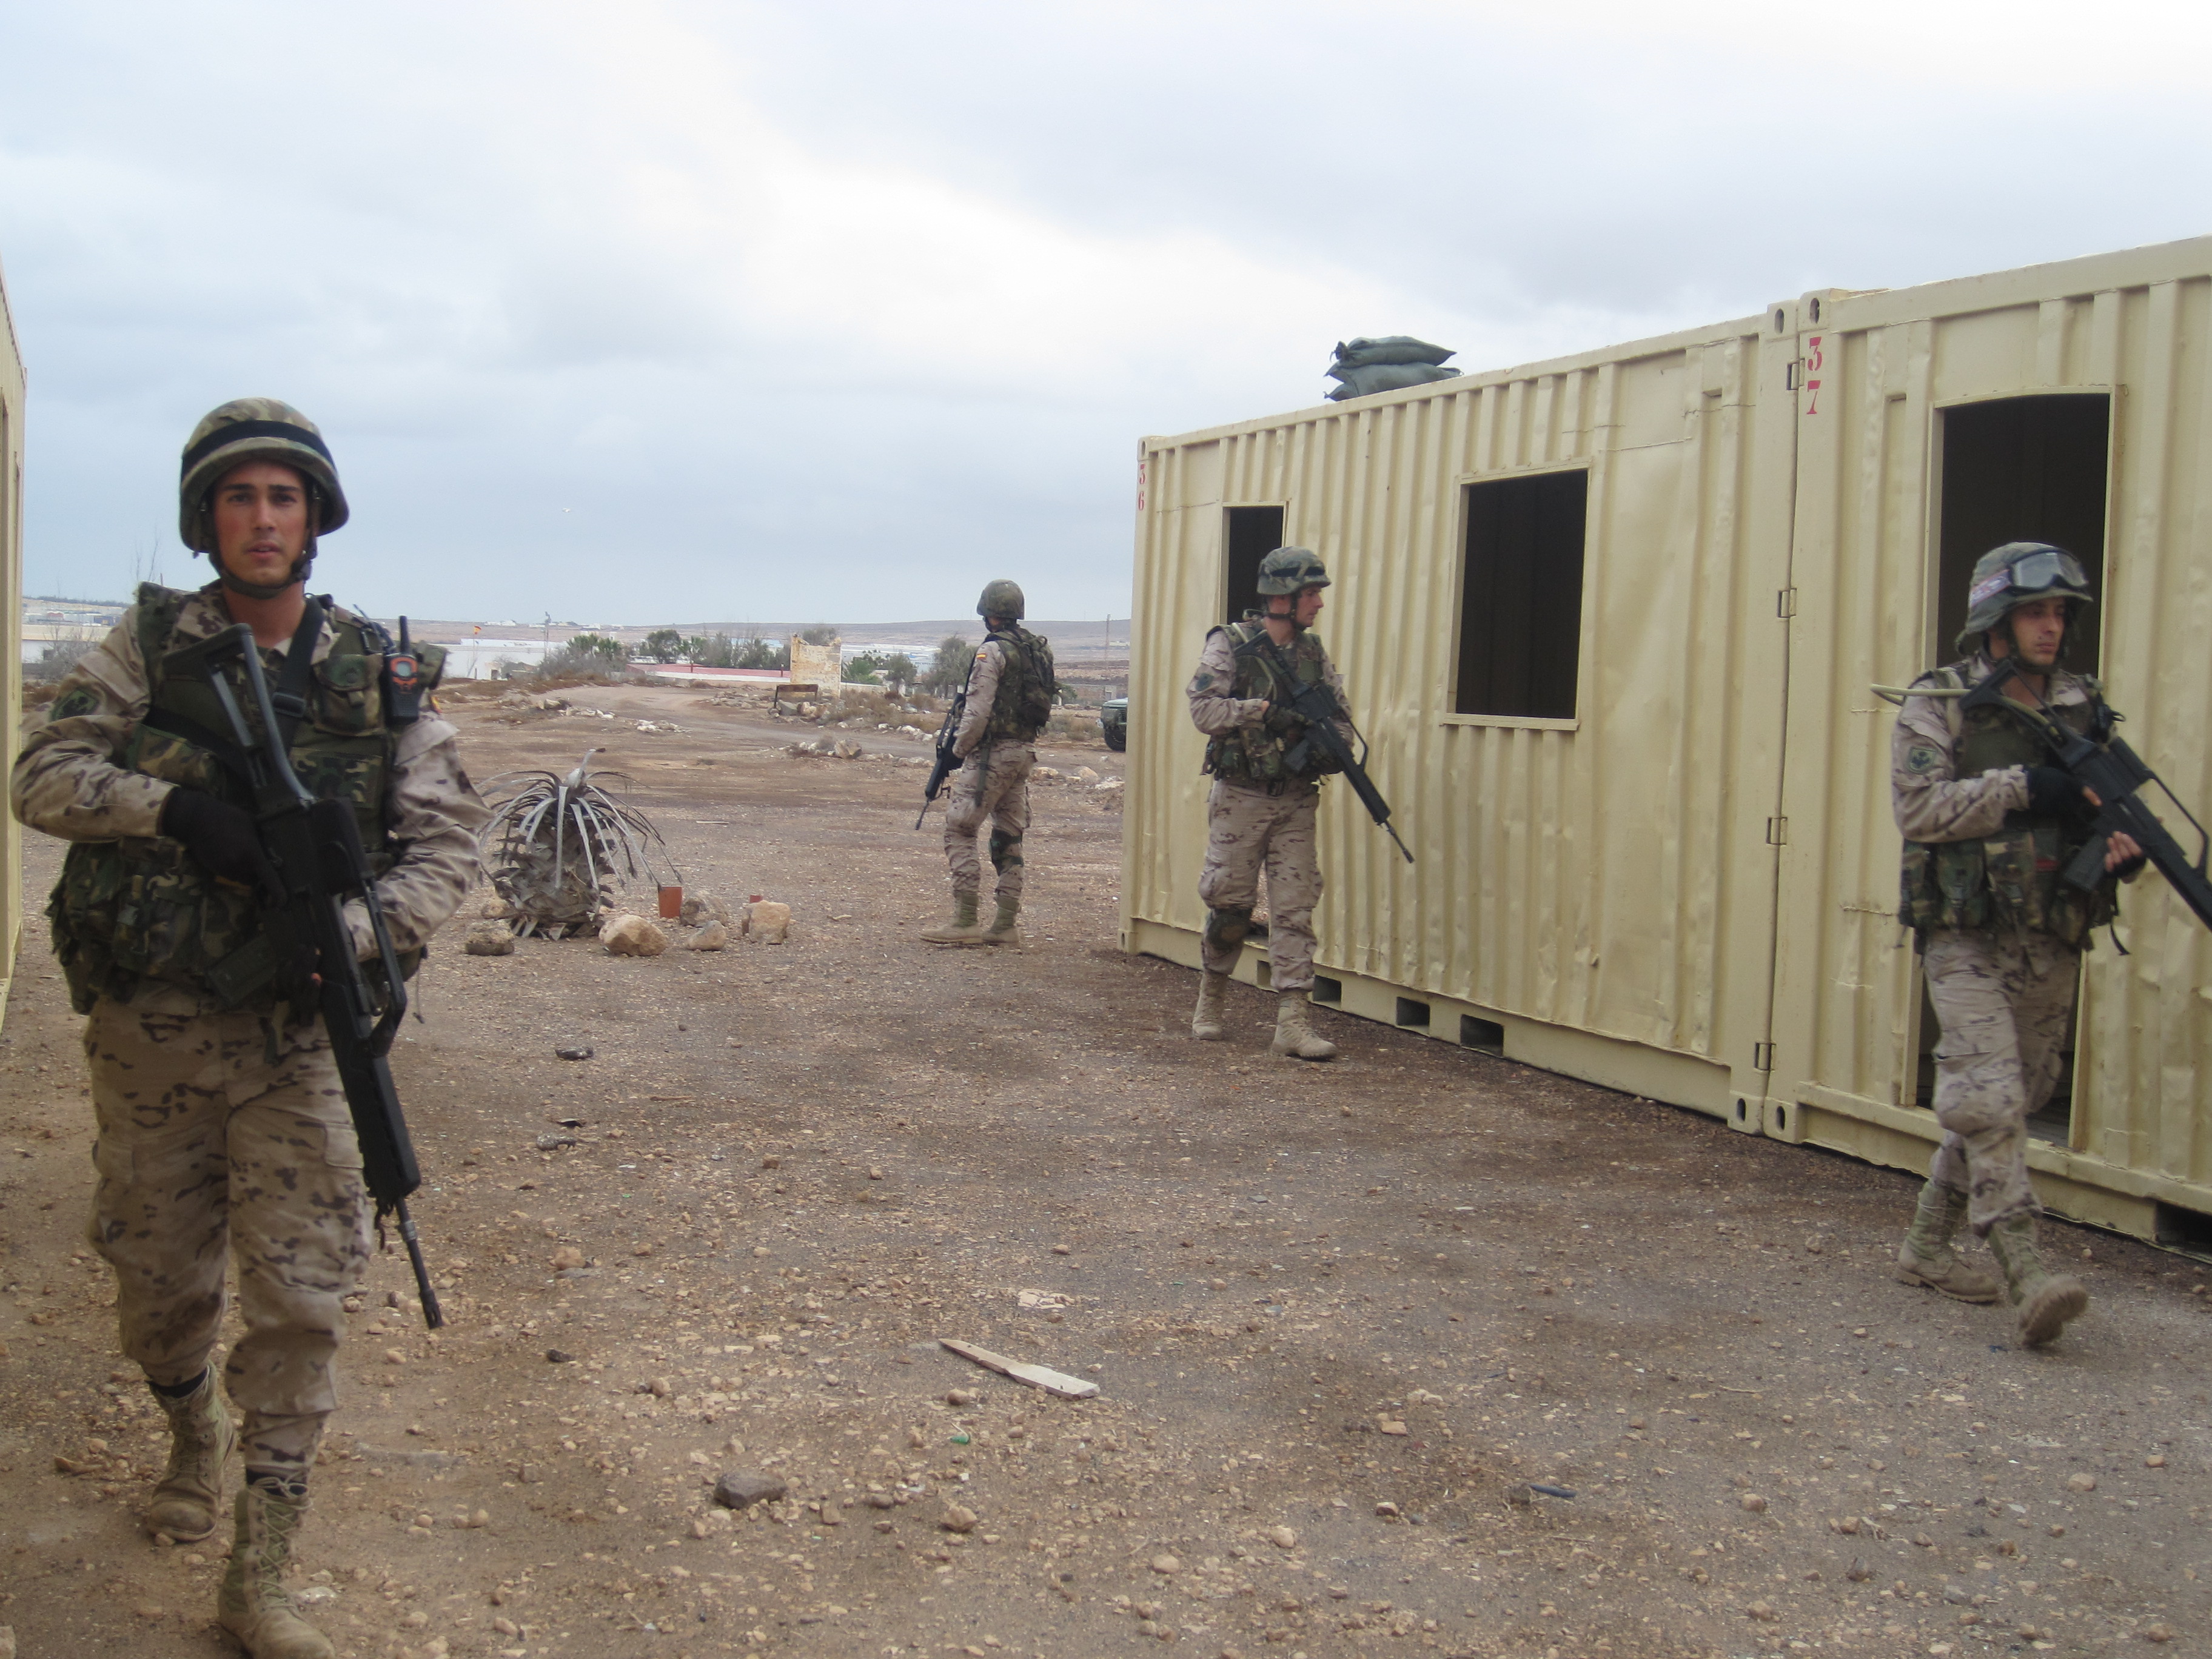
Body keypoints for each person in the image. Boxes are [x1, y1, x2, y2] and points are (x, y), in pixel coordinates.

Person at [10, 398, 486, 1658]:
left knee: (303, 1293)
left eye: (285, 497)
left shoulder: (377, 678)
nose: (263, 519)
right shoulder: (146, 647)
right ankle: (187, 1433)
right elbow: (41, 772)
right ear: (205, 517)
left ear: (315, 516)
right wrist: (175, 818)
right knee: (155, 1279)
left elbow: (446, 849)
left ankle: (260, 1569)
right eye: (239, 497)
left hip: (299, 1037)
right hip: (153, 1024)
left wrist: (354, 933)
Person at [1890, 541, 2142, 1349]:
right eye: (2036, 611)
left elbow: (2100, 810)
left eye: (2061, 612)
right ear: (1997, 617)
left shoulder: (2081, 704)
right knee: (1989, 1099)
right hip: (1965, 934)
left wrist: (2114, 849)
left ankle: (1929, 1242)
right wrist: (2025, 787)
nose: (2051, 626)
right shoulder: (1942, 700)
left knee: (2016, 1097)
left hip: (2050, 932)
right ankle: (2026, 1269)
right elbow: (1920, 811)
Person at [1185, 545, 1353, 1061]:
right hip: (1240, 797)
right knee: (1231, 906)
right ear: (1282, 597)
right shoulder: (1231, 645)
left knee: (1295, 909)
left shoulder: (1312, 654)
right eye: (1311, 593)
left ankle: (1293, 1024)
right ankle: (1211, 998)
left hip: (1296, 800)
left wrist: (1323, 748)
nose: (1319, 603)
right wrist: (1260, 711)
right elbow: (1204, 711)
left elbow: (1342, 719)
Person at [920, 579, 1056, 947]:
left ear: (988, 613)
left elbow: (978, 712)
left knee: (960, 828)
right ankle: (1005, 924)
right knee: (1008, 834)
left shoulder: (992, 652)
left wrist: (957, 751)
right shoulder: (1034, 649)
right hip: (1023, 753)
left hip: (992, 755)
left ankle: (965, 921)